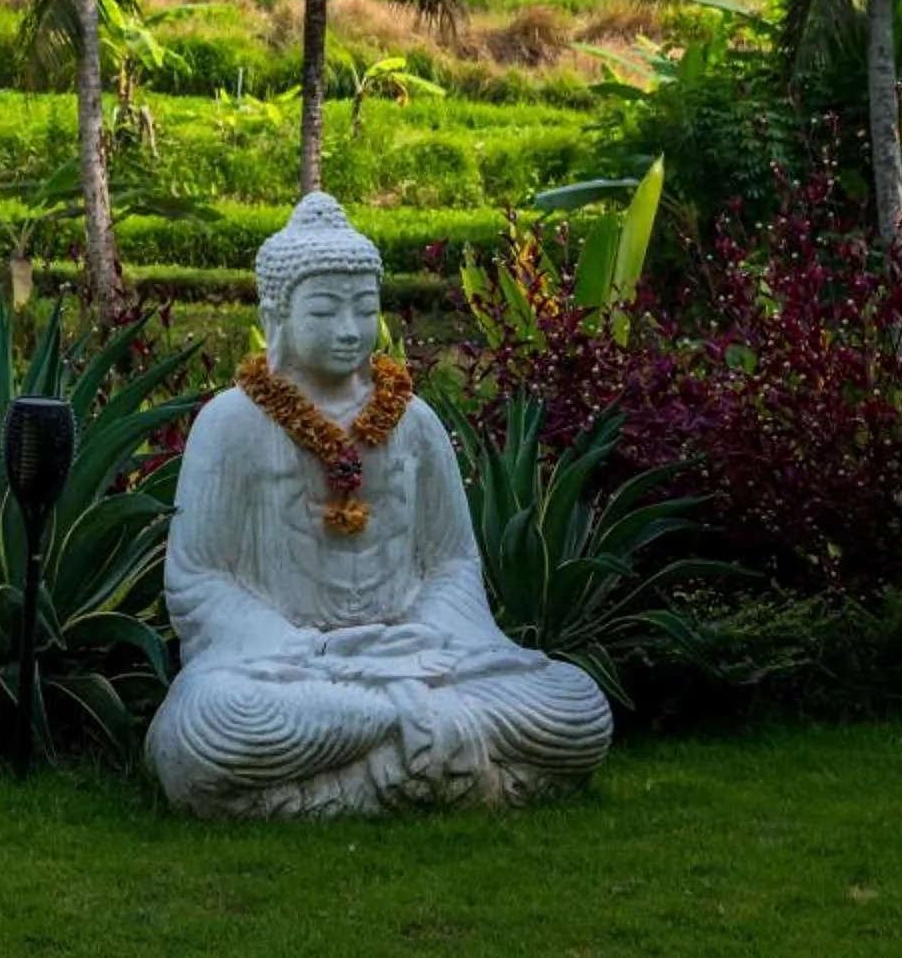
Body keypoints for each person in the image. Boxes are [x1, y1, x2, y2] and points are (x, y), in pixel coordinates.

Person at [145, 193, 612, 817]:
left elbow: (451, 564)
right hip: (291, 674)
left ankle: (375, 757)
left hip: (419, 654)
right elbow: (198, 579)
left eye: (364, 310)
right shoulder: (230, 425)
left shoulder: (412, 421)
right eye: (325, 310)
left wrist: (428, 640)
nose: (348, 330)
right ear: (278, 315)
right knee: (221, 722)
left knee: (574, 703)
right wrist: (308, 651)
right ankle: (430, 745)